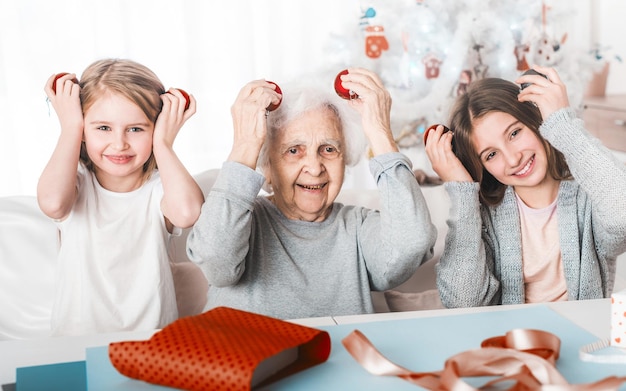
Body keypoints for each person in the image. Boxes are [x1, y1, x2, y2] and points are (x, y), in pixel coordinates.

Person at [186, 68, 436, 319]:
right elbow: (216, 262)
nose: (315, 168)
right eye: (294, 150)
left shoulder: (358, 228)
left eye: (328, 149)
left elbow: (413, 243)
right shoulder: (240, 221)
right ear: (267, 168)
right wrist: (245, 145)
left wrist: (380, 132)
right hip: (244, 356)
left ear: (345, 160)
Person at [424, 65, 626, 308]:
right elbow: (462, 302)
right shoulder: (482, 217)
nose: (513, 159)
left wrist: (562, 124)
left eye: (514, 133)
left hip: (584, 339)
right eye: (491, 155)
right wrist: (461, 192)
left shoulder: (589, 196)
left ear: (535, 119)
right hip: (509, 343)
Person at [38, 58, 204, 335]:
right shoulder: (76, 185)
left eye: (136, 129)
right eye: (103, 128)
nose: (120, 143)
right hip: (75, 339)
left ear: (157, 127)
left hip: (152, 339)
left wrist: (163, 143)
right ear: (82, 129)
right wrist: (70, 128)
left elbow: (188, 214)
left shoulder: (159, 190)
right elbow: (53, 203)